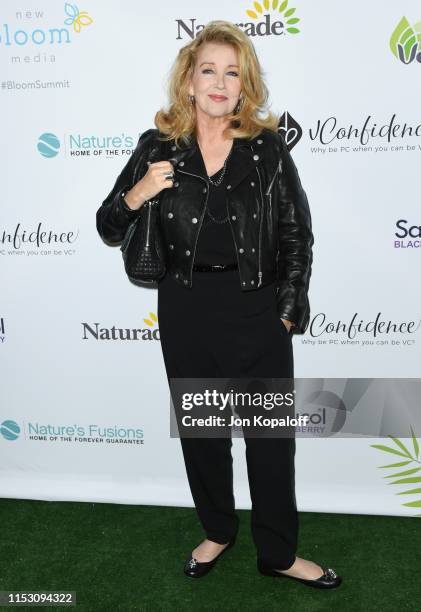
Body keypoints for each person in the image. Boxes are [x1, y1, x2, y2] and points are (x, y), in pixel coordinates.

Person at [96, 20, 342, 589]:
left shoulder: (267, 150)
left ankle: (278, 552)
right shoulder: (157, 147)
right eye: (209, 69)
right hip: (185, 307)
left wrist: (286, 312)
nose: (220, 81)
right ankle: (218, 529)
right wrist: (138, 193)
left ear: (244, 85)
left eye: (232, 72)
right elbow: (109, 225)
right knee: (203, 431)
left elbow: (295, 237)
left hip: (256, 308)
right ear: (188, 81)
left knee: (269, 439)